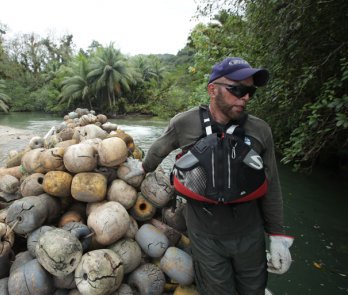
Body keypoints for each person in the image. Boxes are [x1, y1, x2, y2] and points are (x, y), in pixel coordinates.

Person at [125, 57, 294, 295]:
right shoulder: (185, 123)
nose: (245, 97)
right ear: (212, 89)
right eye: (237, 89)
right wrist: (142, 168)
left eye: (250, 92)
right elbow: (159, 149)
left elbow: (271, 185)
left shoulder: (260, 130)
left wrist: (278, 236)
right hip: (205, 236)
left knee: (253, 290)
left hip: (250, 235)